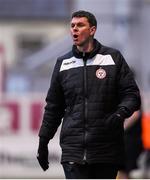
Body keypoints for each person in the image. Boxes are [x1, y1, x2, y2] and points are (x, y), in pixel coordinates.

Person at [37, 10, 141, 179]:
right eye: (72, 26)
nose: (74, 30)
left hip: (106, 149)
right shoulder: (63, 64)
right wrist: (43, 141)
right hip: (73, 150)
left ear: (92, 30)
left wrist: (120, 114)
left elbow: (132, 95)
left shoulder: (112, 58)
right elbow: (53, 108)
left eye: (80, 25)